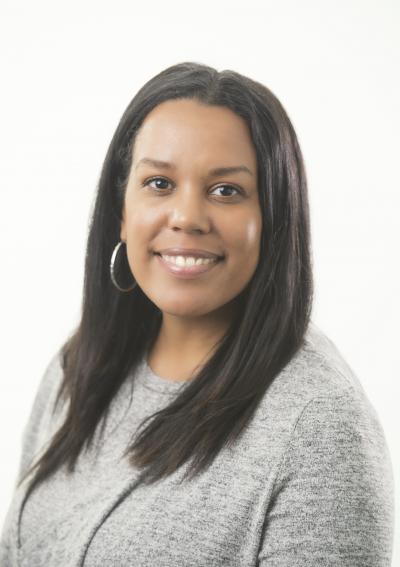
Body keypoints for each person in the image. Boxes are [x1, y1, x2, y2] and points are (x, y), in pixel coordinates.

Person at [0, 62, 394, 566]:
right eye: (159, 183)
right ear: (121, 210)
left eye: (226, 190)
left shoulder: (320, 429)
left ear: (272, 218)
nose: (186, 217)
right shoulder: (76, 368)